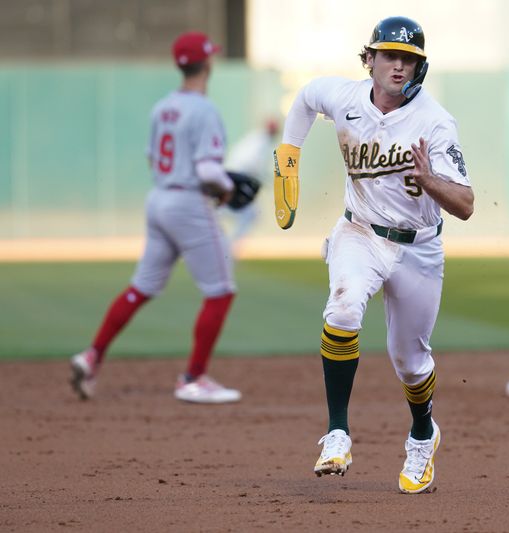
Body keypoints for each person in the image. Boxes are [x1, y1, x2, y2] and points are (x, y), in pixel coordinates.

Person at [273, 16, 474, 493]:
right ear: (370, 59)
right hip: (359, 231)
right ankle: (337, 432)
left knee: (411, 362)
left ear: (419, 67)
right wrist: (288, 156)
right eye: (389, 56)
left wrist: (430, 180)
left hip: (417, 247)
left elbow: (465, 204)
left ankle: (423, 434)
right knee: (342, 306)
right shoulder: (344, 98)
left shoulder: (435, 122)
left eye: (409, 59)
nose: (399, 66)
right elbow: (304, 100)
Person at [69, 31, 241, 404]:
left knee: (141, 287)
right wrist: (226, 190)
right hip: (188, 204)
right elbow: (209, 171)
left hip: (159, 198)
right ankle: (193, 377)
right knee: (221, 291)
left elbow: (152, 158)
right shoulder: (204, 109)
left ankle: (92, 354)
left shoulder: (162, 107)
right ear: (207, 63)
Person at [223, 117, 281, 250]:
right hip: (238, 178)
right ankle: (229, 248)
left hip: (235, 176)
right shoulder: (261, 141)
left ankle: (228, 246)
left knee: (248, 213)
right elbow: (251, 165)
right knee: (249, 214)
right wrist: (268, 180)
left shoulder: (257, 138)